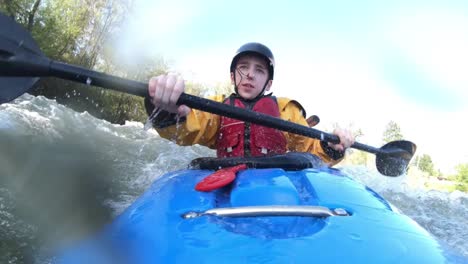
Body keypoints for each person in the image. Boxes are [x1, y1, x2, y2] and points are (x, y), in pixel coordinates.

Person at [145, 42, 354, 166]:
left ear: (268, 82)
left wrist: (331, 147)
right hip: (226, 177)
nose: (250, 75)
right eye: (243, 68)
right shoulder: (216, 106)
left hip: (275, 179)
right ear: (232, 77)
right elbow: (190, 128)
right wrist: (169, 112)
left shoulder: (286, 110)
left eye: (259, 70)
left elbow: (311, 150)